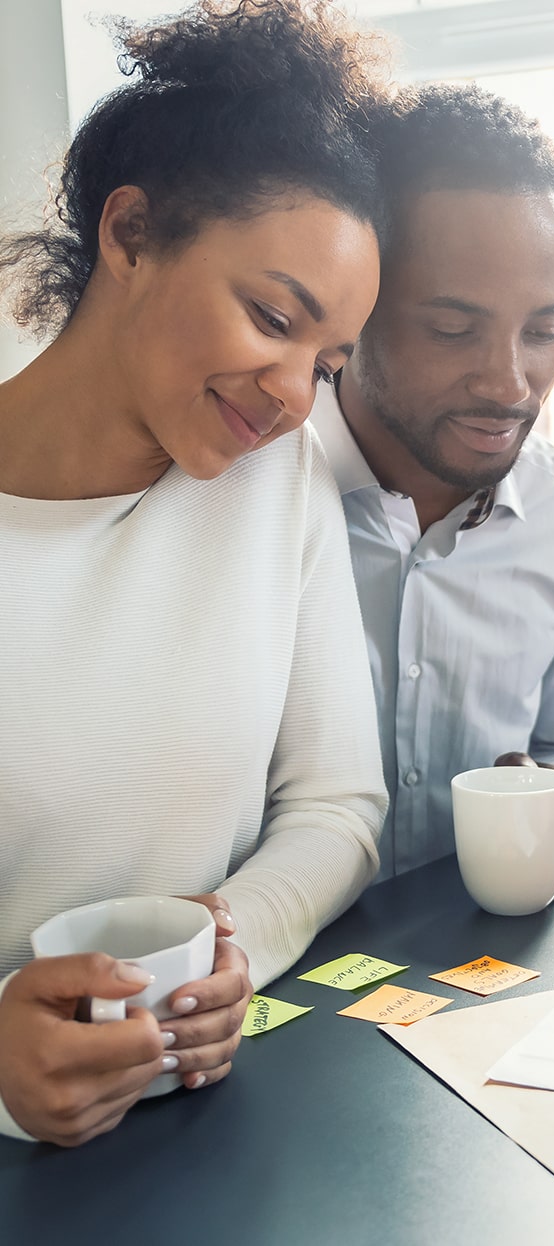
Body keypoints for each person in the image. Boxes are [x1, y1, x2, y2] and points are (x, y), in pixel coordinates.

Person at [0, 0, 390, 1146]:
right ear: (129, 234)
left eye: (327, 363)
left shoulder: (278, 484)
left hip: (201, 1138)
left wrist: (231, 948)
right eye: (273, 316)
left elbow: (338, 807)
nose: (291, 394)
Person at [310, 82, 554, 880]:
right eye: (453, 329)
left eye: (545, 330)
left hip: (480, 965)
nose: (510, 384)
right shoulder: (246, 496)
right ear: (358, 303)